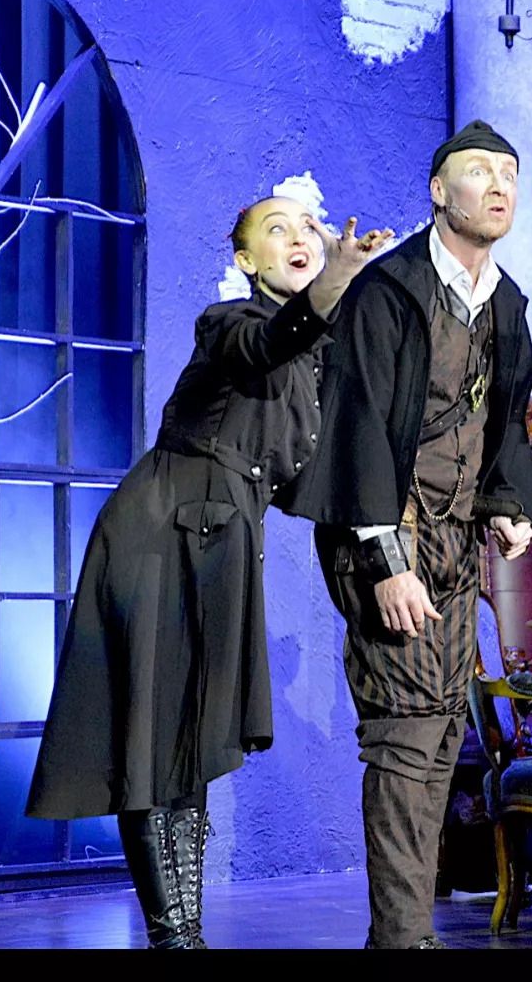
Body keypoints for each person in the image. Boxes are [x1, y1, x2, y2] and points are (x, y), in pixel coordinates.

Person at [26, 197, 392, 948]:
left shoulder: (314, 370)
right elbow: (273, 341)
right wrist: (335, 282)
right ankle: (174, 936)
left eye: (307, 227)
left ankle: (184, 933)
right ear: (247, 261)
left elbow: (318, 480)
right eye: (276, 230)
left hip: (222, 546)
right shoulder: (229, 324)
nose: (298, 237)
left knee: (188, 745)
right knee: (152, 739)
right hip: (161, 535)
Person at [288, 121, 532, 949]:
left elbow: (505, 420)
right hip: (384, 535)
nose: (499, 185)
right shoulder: (389, 291)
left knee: (437, 734)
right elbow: (359, 425)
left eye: (509, 173)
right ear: (439, 191)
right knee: (404, 732)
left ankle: (402, 935)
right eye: (480, 171)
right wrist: (386, 563)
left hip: (453, 541)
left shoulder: (505, 303)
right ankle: (401, 938)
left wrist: (507, 503)